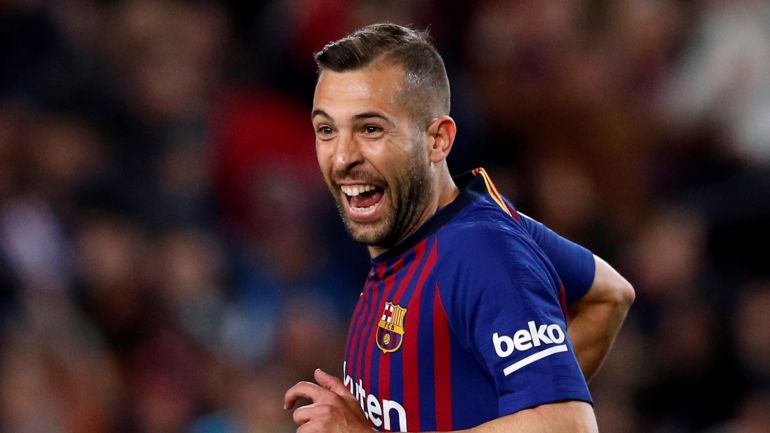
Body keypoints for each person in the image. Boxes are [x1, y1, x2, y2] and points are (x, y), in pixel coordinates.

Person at [284, 23, 634, 432]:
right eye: (327, 130)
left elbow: (568, 426)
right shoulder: (435, 231)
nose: (342, 157)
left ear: (438, 140)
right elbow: (609, 293)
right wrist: (513, 404)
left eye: (370, 129)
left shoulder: (481, 252)